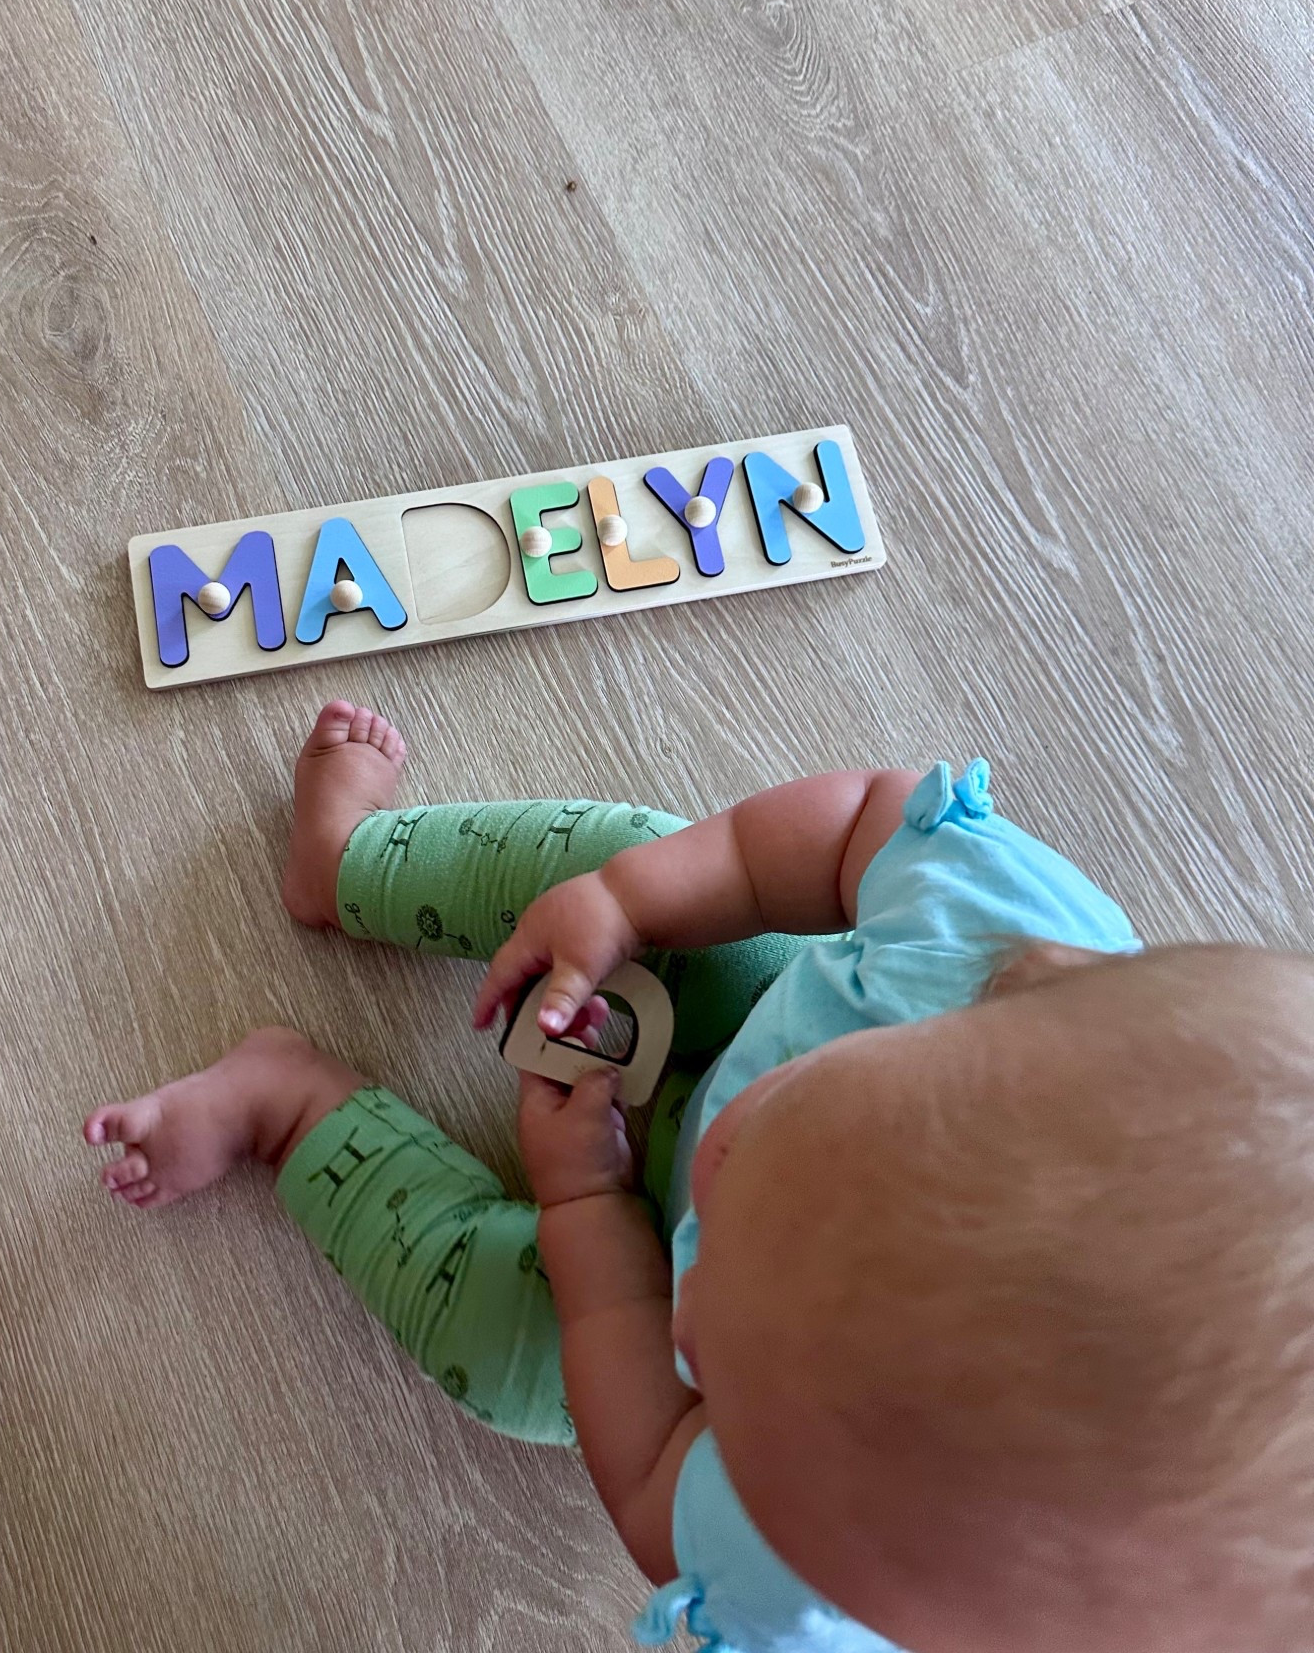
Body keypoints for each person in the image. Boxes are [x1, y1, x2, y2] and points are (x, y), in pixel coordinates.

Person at [87, 702, 1314, 1652]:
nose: (711, 1183)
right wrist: (628, 899)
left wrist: (585, 1211)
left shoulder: (807, 1568)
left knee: (513, 1363)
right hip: (737, 1013)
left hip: (613, 1300)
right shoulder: (994, 935)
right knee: (636, 860)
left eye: (729, 1339)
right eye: (773, 1130)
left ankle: (288, 1106)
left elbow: (649, 1470)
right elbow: (856, 821)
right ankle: (351, 861)